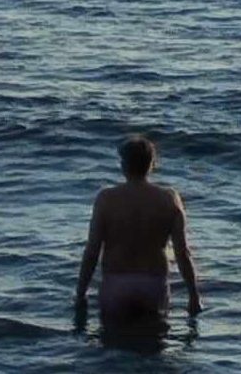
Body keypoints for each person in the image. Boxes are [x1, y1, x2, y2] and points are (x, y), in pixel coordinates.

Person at [74, 135, 202, 324]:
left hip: (116, 283)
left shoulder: (106, 199)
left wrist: (80, 293)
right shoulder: (168, 199)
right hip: (153, 284)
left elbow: (92, 251)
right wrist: (194, 295)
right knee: (153, 345)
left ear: (123, 165)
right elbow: (182, 253)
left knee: (112, 344)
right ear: (152, 164)